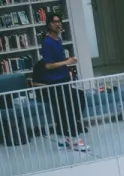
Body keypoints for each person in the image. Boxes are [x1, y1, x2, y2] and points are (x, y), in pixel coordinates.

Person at [35, 14, 87, 152]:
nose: (58, 24)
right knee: (66, 111)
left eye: (59, 21)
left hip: (63, 80)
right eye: (54, 22)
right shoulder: (47, 42)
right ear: (49, 25)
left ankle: (64, 140)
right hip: (56, 83)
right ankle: (74, 139)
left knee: (69, 107)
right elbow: (48, 65)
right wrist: (67, 62)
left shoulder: (58, 40)